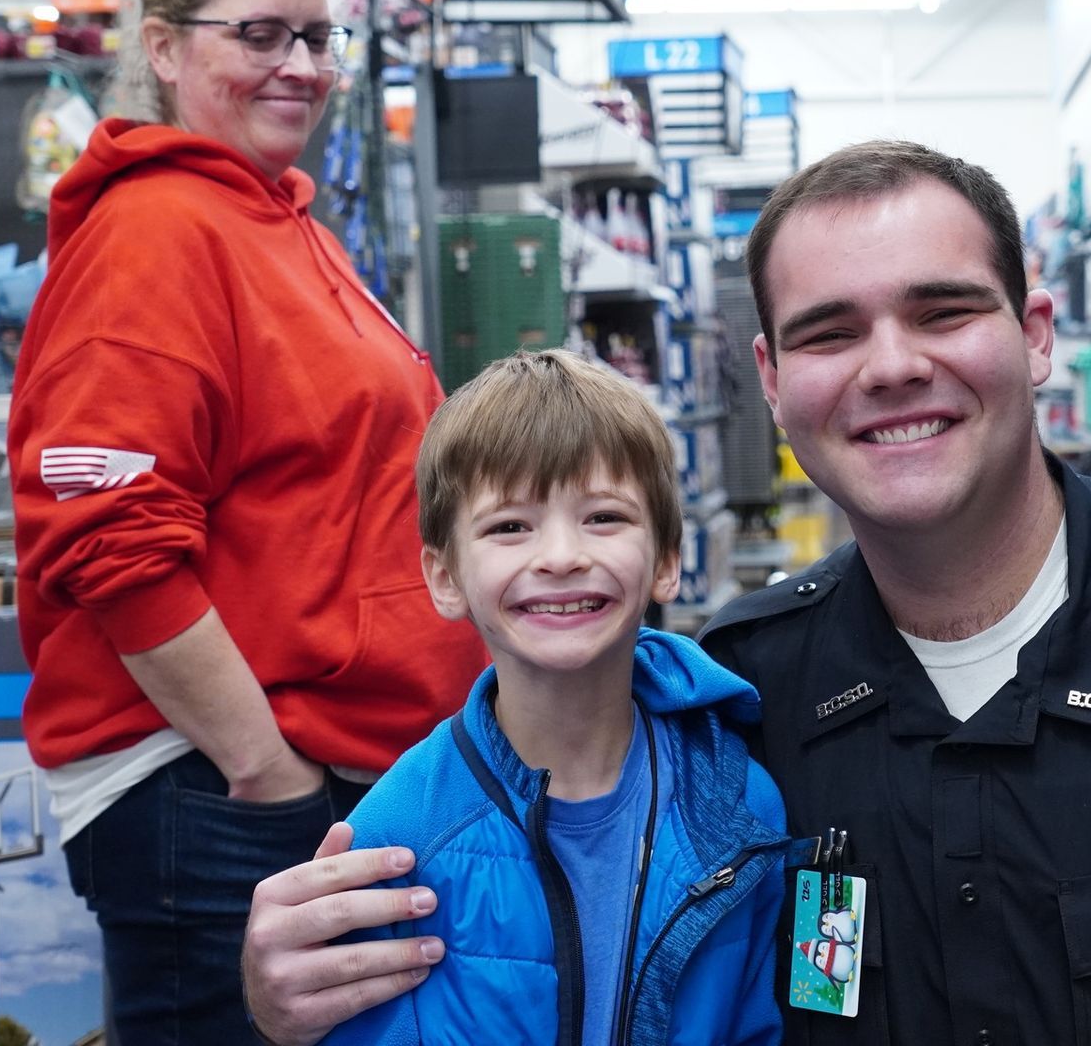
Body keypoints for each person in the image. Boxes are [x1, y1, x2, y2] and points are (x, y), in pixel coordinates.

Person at [241, 141, 1091, 1046]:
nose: (891, 366)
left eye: (942, 311)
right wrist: (294, 980)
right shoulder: (740, 710)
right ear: (777, 390)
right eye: (831, 334)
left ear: (1034, 336)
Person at [7, 0, 485, 1044]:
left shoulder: (276, 221)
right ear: (165, 49)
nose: (301, 66)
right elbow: (111, 533)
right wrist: (264, 772)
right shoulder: (155, 232)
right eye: (260, 35)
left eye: (318, 38)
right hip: (217, 795)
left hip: (299, 776)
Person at [323, 350, 787, 1046]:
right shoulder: (395, 838)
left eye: (603, 517)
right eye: (510, 526)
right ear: (445, 577)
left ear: (667, 560)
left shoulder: (738, 804)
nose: (562, 555)